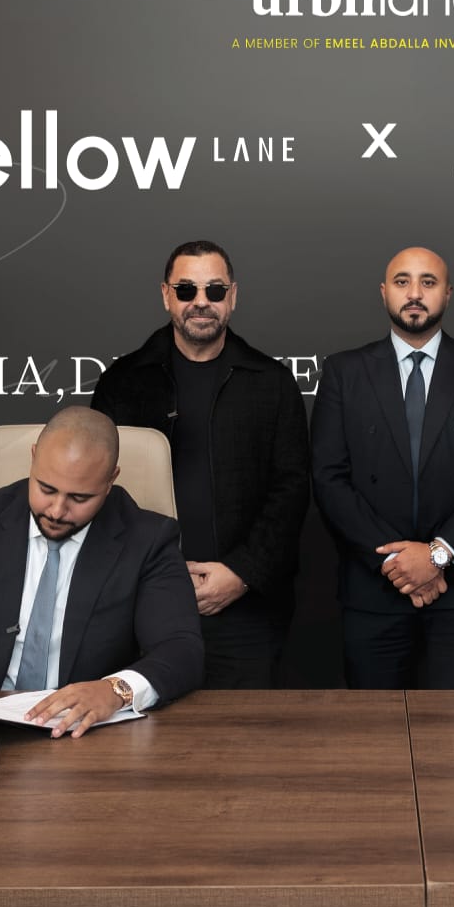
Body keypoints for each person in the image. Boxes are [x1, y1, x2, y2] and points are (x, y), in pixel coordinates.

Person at [0, 407, 203, 738]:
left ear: (110, 480)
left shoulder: (148, 540)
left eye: (79, 498)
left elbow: (181, 650)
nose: (57, 511)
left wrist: (116, 690)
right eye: (46, 489)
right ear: (33, 458)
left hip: (90, 736)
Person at [91, 239, 309, 688]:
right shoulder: (123, 383)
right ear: (166, 295)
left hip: (245, 610)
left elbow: (290, 491)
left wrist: (241, 574)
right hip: (140, 606)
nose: (201, 302)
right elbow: (98, 490)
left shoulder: (271, 383)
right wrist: (153, 577)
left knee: (243, 732)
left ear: (233, 296)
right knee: (143, 731)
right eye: (187, 290)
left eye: (215, 290)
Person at [310, 246, 454, 689]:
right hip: (373, 594)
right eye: (402, 281)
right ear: (383, 292)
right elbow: (329, 479)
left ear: (448, 293)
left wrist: (436, 556)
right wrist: (398, 563)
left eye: (428, 282)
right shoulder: (344, 372)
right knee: (375, 729)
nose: (414, 293)